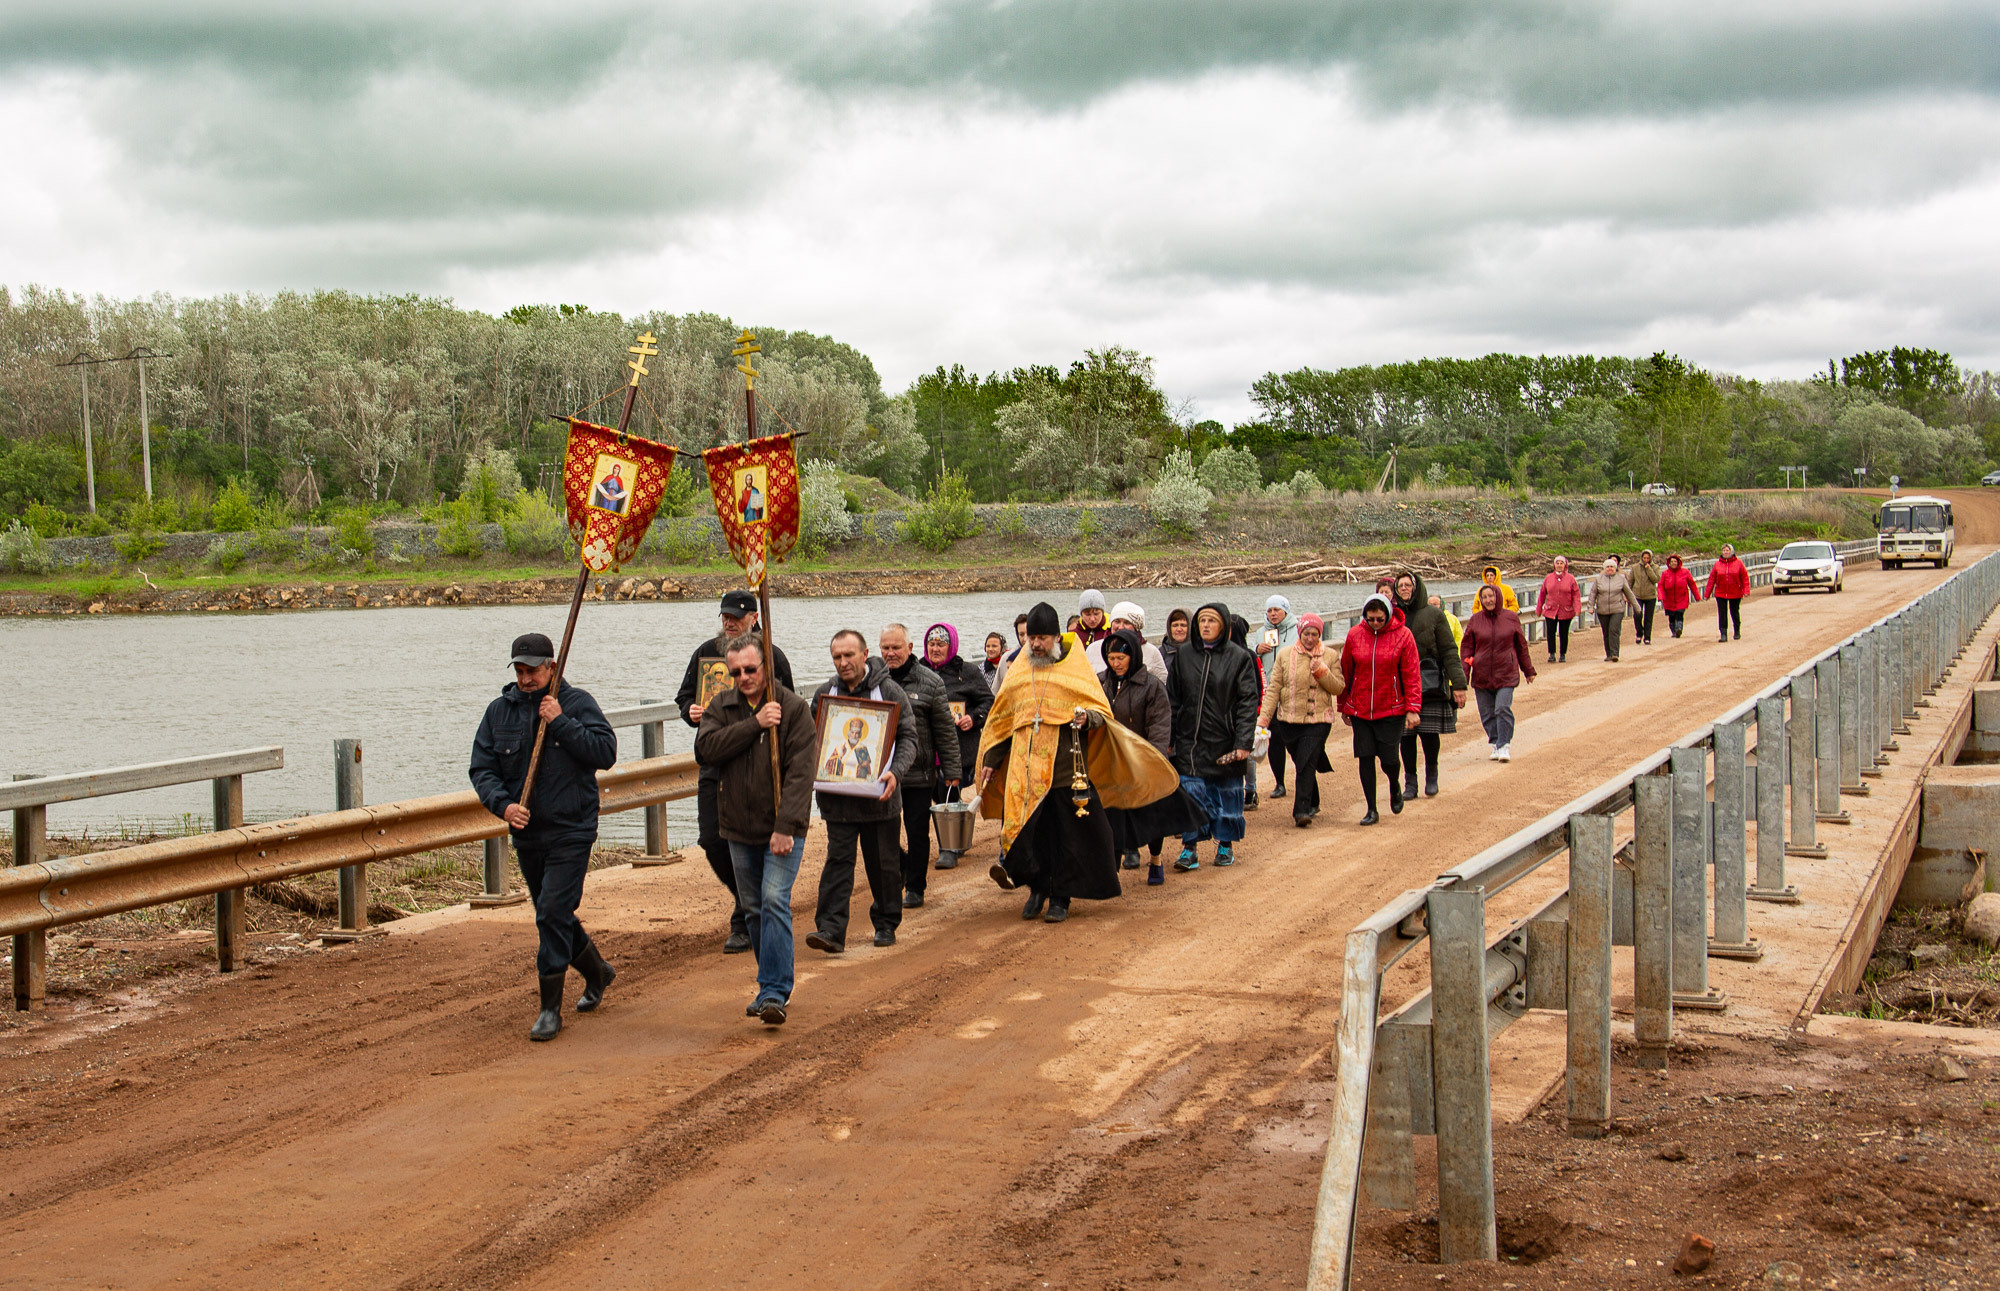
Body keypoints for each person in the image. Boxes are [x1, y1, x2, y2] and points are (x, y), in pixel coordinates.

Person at [976, 604, 1181, 922]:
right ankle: (1037, 889)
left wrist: (1088, 718)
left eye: (1042, 638)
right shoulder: (1019, 668)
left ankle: (1061, 896)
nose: (1037, 645)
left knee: (1066, 837)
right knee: (1032, 833)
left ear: (1057, 637)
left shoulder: (1075, 666)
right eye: (1032, 638)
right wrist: (991, 757)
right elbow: (1004, 718)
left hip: (1065, 769)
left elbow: (1101, 711)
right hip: (1026, 768)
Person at [469, 632, 620, 1042]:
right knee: (552, 915)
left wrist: (561, 722)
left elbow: (605, 752)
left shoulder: (576, 703)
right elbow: (482, 769)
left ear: (551, 667)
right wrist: (504, 805)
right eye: (519, 670)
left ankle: (549, 1010)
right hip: (528, 833)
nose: (525, 678)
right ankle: (597, 972)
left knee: (552, 911)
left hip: (572, 828)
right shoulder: (499, 712)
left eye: (532, 670)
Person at [694, 635, 816, 1026]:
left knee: (774, 900)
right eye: (736, 672)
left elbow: (801, 775)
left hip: (782, 828)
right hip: (738, 829)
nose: (744, 677)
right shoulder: (721, 706)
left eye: (751, 669)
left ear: (767, 667)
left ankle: (775, 990)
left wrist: (786, 828)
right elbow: (706, 749)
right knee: (753, 910)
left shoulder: (794, 709)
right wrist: (754, 725)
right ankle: (769, 987)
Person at [675, 589, 795, 955]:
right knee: (712, 839)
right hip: (718, 761)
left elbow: (787, 702)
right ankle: (747, 902)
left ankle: (746, 918)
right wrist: (691, 712)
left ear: (754, 619)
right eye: (724, 616)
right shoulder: (705, 653)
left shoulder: (772, 654)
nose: (728, 623)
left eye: (736, 617)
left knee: (754, 841)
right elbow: (683, 697)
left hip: (761, 765)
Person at [809, 630, 917, 952]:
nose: (843, 663)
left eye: (849, 656)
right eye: (837, 657)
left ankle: (886, 923)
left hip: (879, 799)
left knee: (882, 864)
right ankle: (830, 930)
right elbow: (813, 740)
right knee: (838, 863)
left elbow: (909, 738)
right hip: (838, 801)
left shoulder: (889, 690)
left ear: (865, 653)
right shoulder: (824, 694)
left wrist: (895, 773)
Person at [1167, 603, 1259, 869]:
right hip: (1190, 741)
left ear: (1224, 627)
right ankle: (1190, 848)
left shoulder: (1239, 658)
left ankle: (1226, 845)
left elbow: (1246, 703)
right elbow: (1173, 699)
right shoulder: (1184, 655)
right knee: (1191, 794)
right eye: (1202, 620)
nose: (1205, 625)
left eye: (1212, 621)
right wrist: (1171, 736)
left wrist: (1243, 742)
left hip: (1225, 741)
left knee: (1226, 794)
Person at [877, 623, 961, 910]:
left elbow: (945, 731)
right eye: (885, 648)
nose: (890, 653)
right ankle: (901, 867)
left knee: (916, 831)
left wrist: (952, 773)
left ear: (910, 648)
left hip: (919, 772)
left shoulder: (931, 683)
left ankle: (915, 886)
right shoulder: (872, 680)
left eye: (896, 647)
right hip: (880, 772)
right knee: (881, 833)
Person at [1099, 628, 1177, 883]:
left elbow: (1160, 724)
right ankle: (1112, 868)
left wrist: (1153, 759)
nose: (1116, 664)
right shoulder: (1100, 683)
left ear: (1134, 655)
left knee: (1151, 812)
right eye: (1111, 659)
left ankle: (1155, 857)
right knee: (1113, 814)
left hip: (1144, 758)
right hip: (1112, 760)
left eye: (1121, 658)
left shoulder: (1151, 686)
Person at [1338, 594, 1421, 825]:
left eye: (1379, 619)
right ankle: (1371, 809)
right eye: (1371, 619)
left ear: (1388, 615)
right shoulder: (1355, 635)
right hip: (1361, 709)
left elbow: (1412, 674)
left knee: (1389, 759)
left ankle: (1395, 785)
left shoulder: (1403, 636)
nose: (1375, 623)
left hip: (1391, 708)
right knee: (1365, 757)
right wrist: (1344, 703)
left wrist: (1412, 707)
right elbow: (1346, 670)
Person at [1257, 611, 1343, 827]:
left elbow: (1338, 687)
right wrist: (1264, 719)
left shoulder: (1331, 656)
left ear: (1320, 635)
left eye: (1315, 634)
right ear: (1300, 632)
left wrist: (1322, 672)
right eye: (1306, 633)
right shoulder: (1285, 655)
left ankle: (1301, 811)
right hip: (1288, 720)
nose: (1310, 638)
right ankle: (1313, 800)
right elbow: (1274, 688)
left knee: (1305, 763)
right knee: (1303, 762)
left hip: (1318, 720)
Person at [923, 621, 992, 869]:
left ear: (951, 646)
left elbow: (988, 701)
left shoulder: (968, 672)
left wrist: (973, 718)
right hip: (927, 750)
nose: (935, 649)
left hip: (958, 748)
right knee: (934, 795)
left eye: (941, 644)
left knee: (948, 793)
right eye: (931, 644)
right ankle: (955, 839)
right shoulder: (919, 671)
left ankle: (948, 848)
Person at [1394, 571, 1467, 801]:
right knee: (1406, 736)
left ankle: (1432, 774)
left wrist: (1459, 684)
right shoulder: (1393, 615)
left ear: (1417, 587)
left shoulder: (1434, 614)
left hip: (1431, 681)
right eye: (1400, 585)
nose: (1404, 588)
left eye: (1408, 585)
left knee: (1428, 733)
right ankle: (1410, 782)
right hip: (1402, 684)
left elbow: (1449, 650)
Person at [1460, 583, 1537, 761]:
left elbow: (1521, 645)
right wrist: (1464, 675)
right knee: (1487, 713)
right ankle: (1495, 742)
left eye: (1491, 596)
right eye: (1484, 597)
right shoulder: (1475, 620)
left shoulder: (1510, 618)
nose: (1488, 600)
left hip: (1506, 673)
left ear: (1498, 596)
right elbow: (1466, 650)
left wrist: (1528, 670)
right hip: (1482, 674)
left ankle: (1504, 745)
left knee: (1502, 708)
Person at [1253, 595, 1300, 800]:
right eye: (1269, 610)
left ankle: (1303, 778)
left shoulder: (1297, 630)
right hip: (1269, 694)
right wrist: (1258, 650)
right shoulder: (1261, 633)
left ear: (1286, 611)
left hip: (1291, 694)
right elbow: (1253, 661)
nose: (1272, 614)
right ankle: (1279, 783)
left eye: (1276, 610)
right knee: (1275, 740)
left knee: (1295, 741)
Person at [1086, 601, 1169, 682]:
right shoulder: (1093, 649)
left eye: (1127, 622)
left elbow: (1163, 683)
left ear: (1136, 627)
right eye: (1117, 621)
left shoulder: (1152, 652)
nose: (1121, 627)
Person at [1589, 556, 1641, 662]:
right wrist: (1590, 607)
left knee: (1614, 630)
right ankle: (1608, 653)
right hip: (1602, 610)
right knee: (1606, 632)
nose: (1609, 569)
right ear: (1604, 568)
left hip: (1617, 609)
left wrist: (1636, 606)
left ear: (1615, 568)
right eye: (1607, 567)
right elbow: (1593, 594)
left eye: (1612, 567)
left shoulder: (1621, 578)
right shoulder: (1599, 579)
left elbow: (1629, 593)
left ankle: (1615, 653)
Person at [1537, 556, 1581, 663]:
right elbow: (1542, 594)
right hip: (1550, 610)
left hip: (1565, 610)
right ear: (1554, 565)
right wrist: (1539, 608)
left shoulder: (1571, 578)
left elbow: (1576, 595)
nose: (1559, 565)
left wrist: (1577, 608)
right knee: (1551, 632)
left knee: (1563, 633)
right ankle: (1551, 654)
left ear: (1565, 565)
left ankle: (1562, 654)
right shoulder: (1548, 578)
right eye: (1558, 563)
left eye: (1562, 563)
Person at [1706, 543, 1749, 642]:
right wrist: (1707, 594)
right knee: (1722, 613)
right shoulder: (1717, 564)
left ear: (1731, 551)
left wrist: (1746, 590)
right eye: (1724, 550)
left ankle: (1737, 630)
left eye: (1727, 550)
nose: (1725, 552)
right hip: (1721, 593)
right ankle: (1723, 634)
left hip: (1735, 592)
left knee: (1734, 612)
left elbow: (1744, 577)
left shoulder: (1739, 563)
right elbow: (1712, 579)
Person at [1657, 554, 1699, 638]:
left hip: (1682, 598)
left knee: (1679, 614)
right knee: (1671, 616)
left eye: (1675, 561)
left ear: (1678, 562)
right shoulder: (1665, 573)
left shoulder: (1685, 572)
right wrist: (1661, 596)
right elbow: (1660, 585)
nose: (1673, 563)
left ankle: (1679, 628)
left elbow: (1692, 584)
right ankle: (1673, 631)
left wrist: (1697, 596)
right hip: (1669, 599)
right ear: (1669, 563)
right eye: (1672, 562)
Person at [1630, 550, 1660, 645]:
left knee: (1648, 618)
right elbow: (1630, 581)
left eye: (1648, 558)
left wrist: (1649, 569)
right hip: (1637, 595)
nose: (1646, 560)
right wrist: (1629, 595)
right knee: (1637, 615)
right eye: (1644, 558)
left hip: (1650, 596)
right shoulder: (1635, 567)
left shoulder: (1655, 567)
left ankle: (1647, 637)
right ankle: (1639, 632)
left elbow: (1656, 579)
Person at [1159, 608, 1192, 673]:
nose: (1179, 629)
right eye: (1175, 625)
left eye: (1183, 625)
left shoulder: (1199, 650)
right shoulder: (1161, 653)